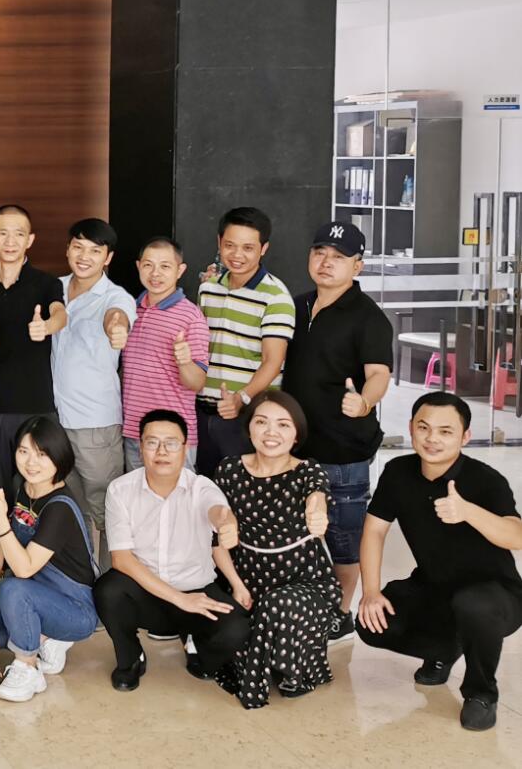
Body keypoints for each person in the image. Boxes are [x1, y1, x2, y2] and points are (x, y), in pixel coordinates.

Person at [358, 392, 522, 732]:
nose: (432, 438)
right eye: (424, 427)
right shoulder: (398, 471)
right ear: (411, 428)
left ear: (465, 436)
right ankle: (444, 650)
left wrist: (468, 512)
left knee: (473, 605)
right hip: (434, 586)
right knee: (373, 622)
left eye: (446, 431)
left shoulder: (486, 479)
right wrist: (371, 592)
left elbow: (517, 536)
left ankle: (481, 695)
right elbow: (374, 530)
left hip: (496, 595)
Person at [285, 219, 392, 644]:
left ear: (357, 266)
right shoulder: (296, 306)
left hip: (343, 451)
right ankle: (303, 606)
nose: (326, 262)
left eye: (338, 257)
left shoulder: (368, 317)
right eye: (320, 253)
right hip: (294, 448)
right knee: (297, 535)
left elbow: (379, 373)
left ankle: (339, 614)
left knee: (343, 538)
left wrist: (364, 401)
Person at [95, 410, 249, 693]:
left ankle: (196, 646)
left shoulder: (202, 487)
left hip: (196, 592)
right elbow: (121, 559)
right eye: (152, 442)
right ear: (140, 446)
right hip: (146, 591)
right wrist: (179, 599)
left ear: (186, 447)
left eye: (171, 443)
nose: (162, 451)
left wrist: (227, 523)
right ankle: (131, 658)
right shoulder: (121, 490)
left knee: (236, 629)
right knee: (108, 590)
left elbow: (218, 510)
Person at [210, 391, 336, 709]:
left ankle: (291, 673)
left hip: (304, 580)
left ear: (296, 435)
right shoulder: (229, 469)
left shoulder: (308, 471)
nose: (271, 432)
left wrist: (317, 512)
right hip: (246, 578)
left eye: (283, 424)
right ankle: (258, 662)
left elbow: (317, 497)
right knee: (225, 623)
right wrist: (236, 585)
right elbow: (216, 534)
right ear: (249, 427)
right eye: (262, 422)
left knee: (277, 604)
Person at [0, 415, 98, 704]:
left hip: (75, 609)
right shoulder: (23, 485)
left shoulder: (59, 507)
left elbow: (24, 568)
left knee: (14, 588)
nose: (31, 462)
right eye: (24, 451)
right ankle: (46, 640)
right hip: (36, 594)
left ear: (59, 456)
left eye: (41, 454)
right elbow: (11, 537)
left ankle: (27, 666)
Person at [0, 206, 67, 573]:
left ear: (30, 240)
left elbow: (60, 313)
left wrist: (48, 327)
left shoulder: (46, 283)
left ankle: (37, 570)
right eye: (2, 233)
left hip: (36, 405)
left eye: (18, 234)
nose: (10, 241)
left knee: (40, 490)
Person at [49, 219, 134, 563]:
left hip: (95, 425)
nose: (84, 257)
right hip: (56, 420)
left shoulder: (115, 297)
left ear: (107, 257)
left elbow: (117, 317)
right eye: (78, 247)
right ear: (68, 249)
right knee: (72, 508)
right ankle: (84, 579)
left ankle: (115, 582)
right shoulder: (54, 288)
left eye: (95, 251)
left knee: (106, 509)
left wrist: (117, 329)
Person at [196, 207, 295, 477]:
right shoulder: (208, 288)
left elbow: (273, 362)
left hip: (246, 416)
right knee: (203, 491)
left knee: (244, 492)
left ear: (264, 249)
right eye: (230, 245)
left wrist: (242, 398)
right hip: (202, 413)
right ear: (219, 242)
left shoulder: (276, 297)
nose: (237, 255)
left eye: (248, 248)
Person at [121, 237, 210, 470]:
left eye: (165, 266)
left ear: (180, 270)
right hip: (134, 433)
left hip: (173, 436)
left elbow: (197, 383)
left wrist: (185, 361)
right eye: (148, 265)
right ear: (138, 266)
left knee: (177, 495)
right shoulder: (130, 310)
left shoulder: (191, 317)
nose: (155, 273)